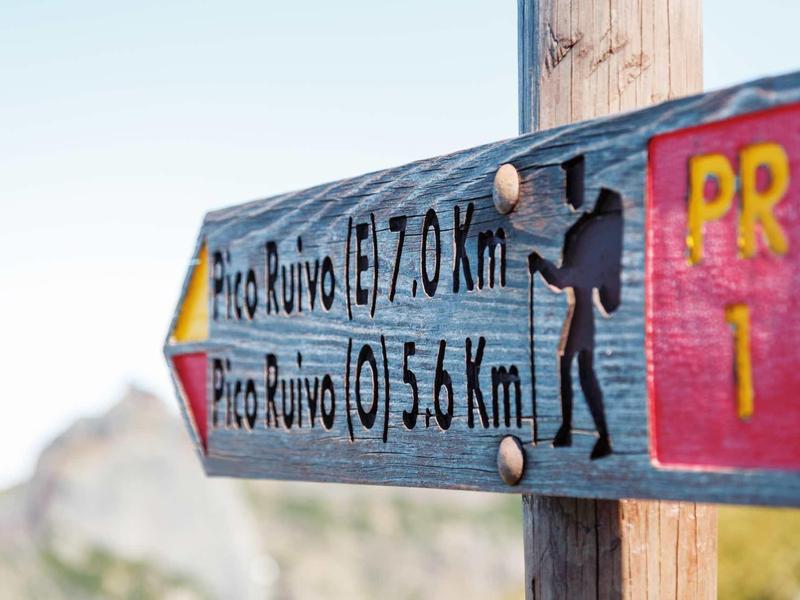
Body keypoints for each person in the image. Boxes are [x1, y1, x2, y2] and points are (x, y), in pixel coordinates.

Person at [528, 187, 623, 460]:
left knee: (578, 370)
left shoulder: (594, 240)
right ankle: (575, 429)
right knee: (576, 369)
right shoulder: (597, 238)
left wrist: (542, 265)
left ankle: (589, 432)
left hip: (583, 317)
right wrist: (543, 266)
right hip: (580, 315)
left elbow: (563, 279)